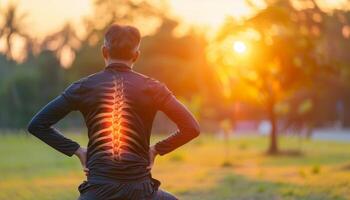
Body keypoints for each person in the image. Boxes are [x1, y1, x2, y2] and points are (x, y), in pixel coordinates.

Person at [27, 24, 200, 200]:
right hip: (140, 191)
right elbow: (192, 127)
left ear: (104, 52)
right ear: (136, 55)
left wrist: (78, 150)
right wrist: (156, 149)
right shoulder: (153, 88)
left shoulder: (83, 87)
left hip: (97, 191)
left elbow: (37, 125)